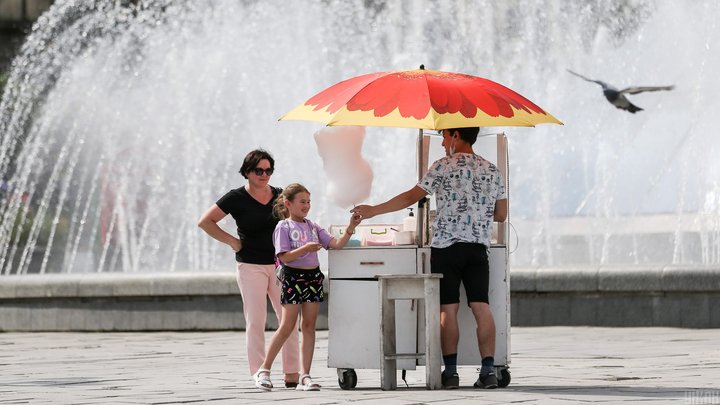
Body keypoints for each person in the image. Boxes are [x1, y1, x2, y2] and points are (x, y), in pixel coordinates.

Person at [352, 127, 508, 390]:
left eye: (445, 136)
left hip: (446, 248)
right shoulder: (492, 170)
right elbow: (501, 214)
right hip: (478, 249)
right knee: (481, 307)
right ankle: (489, 371)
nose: (442, 142)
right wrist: (475, 212)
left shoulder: (442, 166)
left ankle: (450, 373)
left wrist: (373, 210)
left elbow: (411, 197)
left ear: (457, 135)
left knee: (448, 309)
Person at [197, 149, 300, 388]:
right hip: (250, 266)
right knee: (256, 320)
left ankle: (292, 372)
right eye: (259, 170)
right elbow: (205, 222)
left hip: (279, 266)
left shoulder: (280, 195)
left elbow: (293, 222)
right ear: (247, 172)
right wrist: (232, 242)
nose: (264, 175)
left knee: (289, 319)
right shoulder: (235, 198)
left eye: (268, 170)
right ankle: (259, 372)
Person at [253, 183, 362, 391]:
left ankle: (305, 376)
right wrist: (305, 249)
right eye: (302, 202)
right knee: (287, 326)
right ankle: (264, 369)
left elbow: (336, 244)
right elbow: (284, 257)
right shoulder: (283, 227)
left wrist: (351, 227)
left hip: (313, 279)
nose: (307, 206)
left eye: (309, 202)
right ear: (288, 203)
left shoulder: (313, 226)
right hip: (293, 278)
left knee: (309, 327)